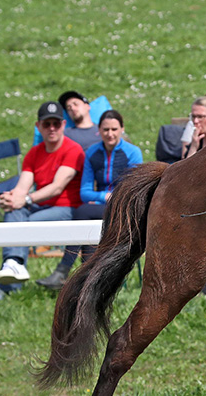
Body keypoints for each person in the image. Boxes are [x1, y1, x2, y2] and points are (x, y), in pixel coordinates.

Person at [0, 101, 84, 304]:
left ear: (63, 125)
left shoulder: (73, 150)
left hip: (66, 208)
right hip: (41, 205)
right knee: (13, 212)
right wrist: (12, 198)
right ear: (38, 126)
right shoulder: (34, 153)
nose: (51, 128)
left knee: (20, 221)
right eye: (47, 123)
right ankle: (13, 265)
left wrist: (25, 199)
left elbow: (57, 187)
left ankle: (9, 282)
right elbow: (23, 186)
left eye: (56, 124)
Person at [37, 110, 142, 289]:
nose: (110, 134)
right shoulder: (92, 152)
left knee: (83, 211)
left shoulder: (132, 152)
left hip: (125, 208)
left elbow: (132, 191)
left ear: (122, 129)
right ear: (98, 130)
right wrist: (104, 197)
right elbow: (84, 192)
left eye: (114, 129)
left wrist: (105, 198)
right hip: (100, 206)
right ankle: (90, 280)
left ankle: (67, 271)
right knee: (86, 213)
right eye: (106, 129)